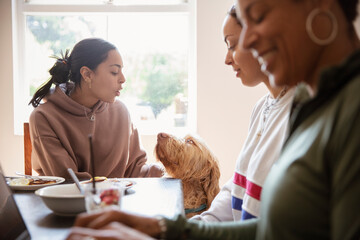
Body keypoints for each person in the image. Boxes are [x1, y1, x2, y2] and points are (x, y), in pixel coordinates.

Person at [67, 0, 360, 239]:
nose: (248, 42)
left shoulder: (351, 111)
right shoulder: (310, 105)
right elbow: (274, 229)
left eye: (258, 17)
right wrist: (165, 229)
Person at [191, 5, 294, 222]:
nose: (227, 59)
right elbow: (238, 187)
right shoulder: (262, 108)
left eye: (232, 45)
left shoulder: (299, 111)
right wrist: (201, 224)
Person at [29, 38, 163, 179]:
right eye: (114, 72)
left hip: (119, 199)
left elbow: (135, 170)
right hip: (72, 200)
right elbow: (67, 182)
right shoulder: (44, 117)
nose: (123, 79)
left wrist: (164, 170)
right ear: (87, 74)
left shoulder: (120, 111)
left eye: (121, 71)